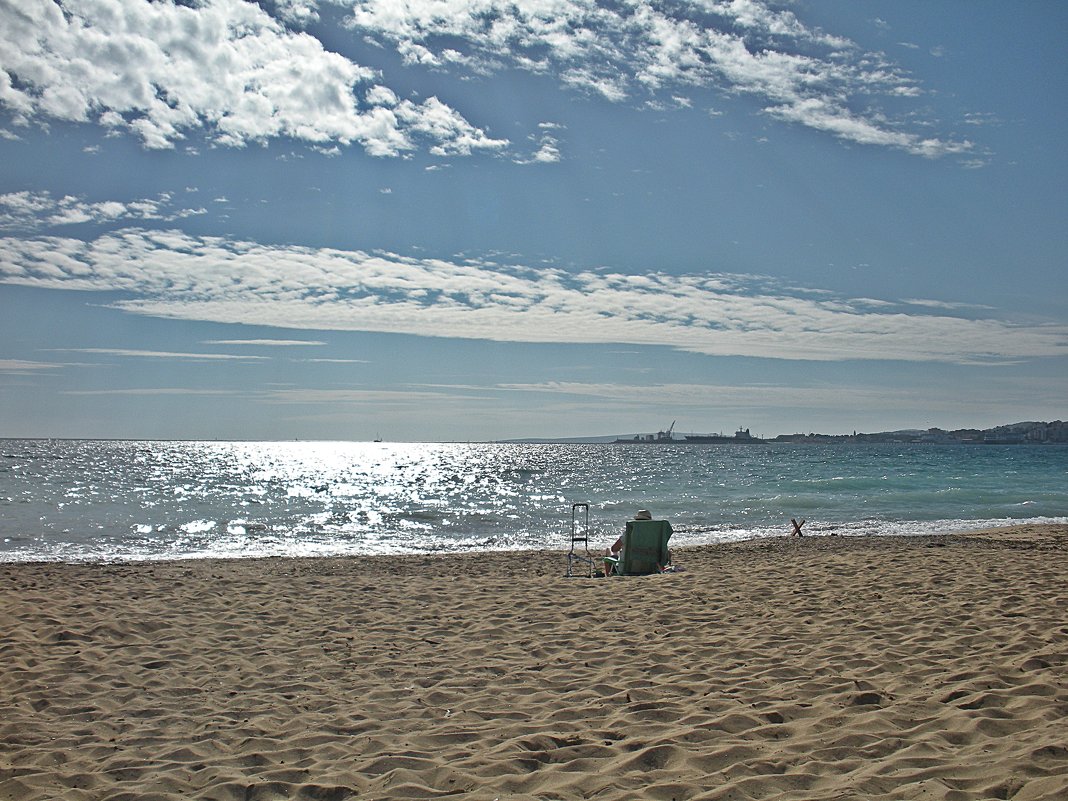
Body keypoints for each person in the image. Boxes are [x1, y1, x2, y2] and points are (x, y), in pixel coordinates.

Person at [603, 509, 653, 575]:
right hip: (649, 568)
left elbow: (614, 548)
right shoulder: (654, 535)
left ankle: (608, 578)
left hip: (627, 569)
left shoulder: (629, 533)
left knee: (609, 549)